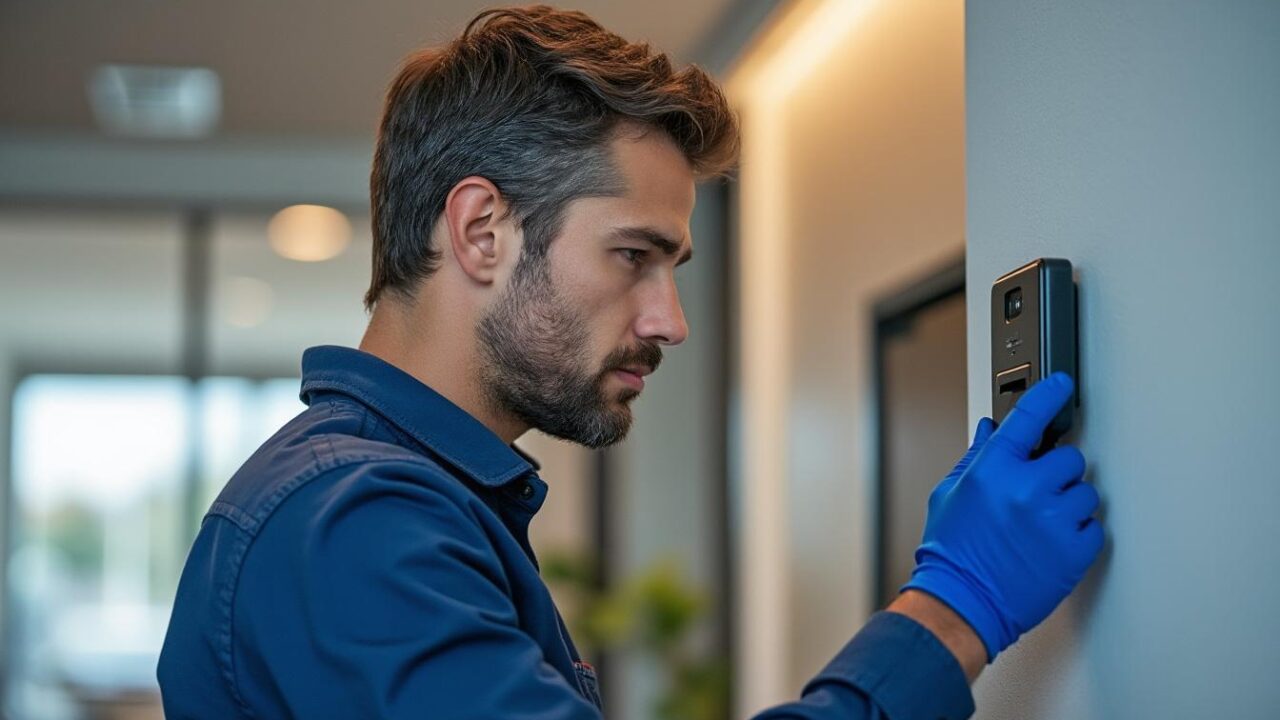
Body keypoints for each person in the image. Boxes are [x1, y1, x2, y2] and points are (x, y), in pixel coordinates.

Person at [157, 6, 1104, 718]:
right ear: (482, 231)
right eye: (632, 256)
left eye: (674, 267)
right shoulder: (353, 523)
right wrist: (953, 610)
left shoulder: (389, 502)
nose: (671, 320)